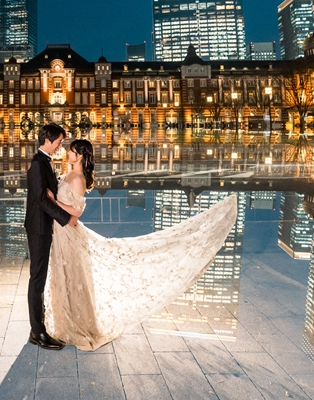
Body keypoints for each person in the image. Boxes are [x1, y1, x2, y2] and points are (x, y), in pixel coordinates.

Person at [42, 138, 239, 351]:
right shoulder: (70, 173)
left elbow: (77, 211)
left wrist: (54, 201)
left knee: (72, 277)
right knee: (64, 278)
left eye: (71, 151)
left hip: (68, 234)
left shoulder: (78, 178)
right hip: (61, 232)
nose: (67, 154)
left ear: (80, 155)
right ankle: (66, 323)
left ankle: (77, 325)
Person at [24, 123, 76, 351]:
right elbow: (41, 200)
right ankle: (37, 332)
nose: (60, 145)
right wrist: (66, 218)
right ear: (48, 140)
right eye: (59, 141)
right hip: (38, 228)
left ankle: (38, 327)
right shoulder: (37, 165)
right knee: (37, 279)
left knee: (40, 278)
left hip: (44, 225)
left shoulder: (45, 161)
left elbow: (49, 193)